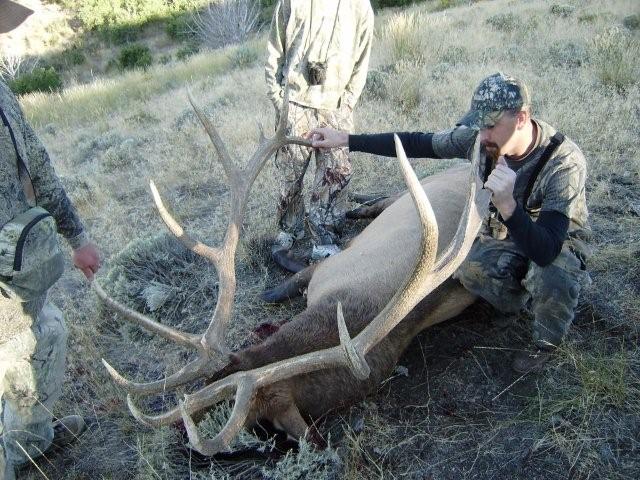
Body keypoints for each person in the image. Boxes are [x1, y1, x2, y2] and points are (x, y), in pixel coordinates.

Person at [308, 72, 592, 373]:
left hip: (553, 239)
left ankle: (546, 343)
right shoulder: (480, 140)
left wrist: (508, 204)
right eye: (480, 125)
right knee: (469, 271)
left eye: (492, 126)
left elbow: (546, 249)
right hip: (504, 229)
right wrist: (346, 140)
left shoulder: (563, 163)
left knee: (553, 274)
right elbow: (419, 143)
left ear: (522, 118)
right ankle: (514, 300)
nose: (483, 136)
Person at [1, 79, 100, 480]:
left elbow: (35, 164)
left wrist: (76, 236)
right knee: (17, 357)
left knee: (46, 336)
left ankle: (30, 441)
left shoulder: (2, 89)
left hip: (16, 266)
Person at [265, 0, 374, 264]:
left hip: (335, 107)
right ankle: (291, 228)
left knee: (334, 176)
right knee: (289, 176)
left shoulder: (360, 7)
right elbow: (274, 53)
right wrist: (281, 103)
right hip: (295, 104)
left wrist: (345, 105)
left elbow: (362, 60)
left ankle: (324, 238)